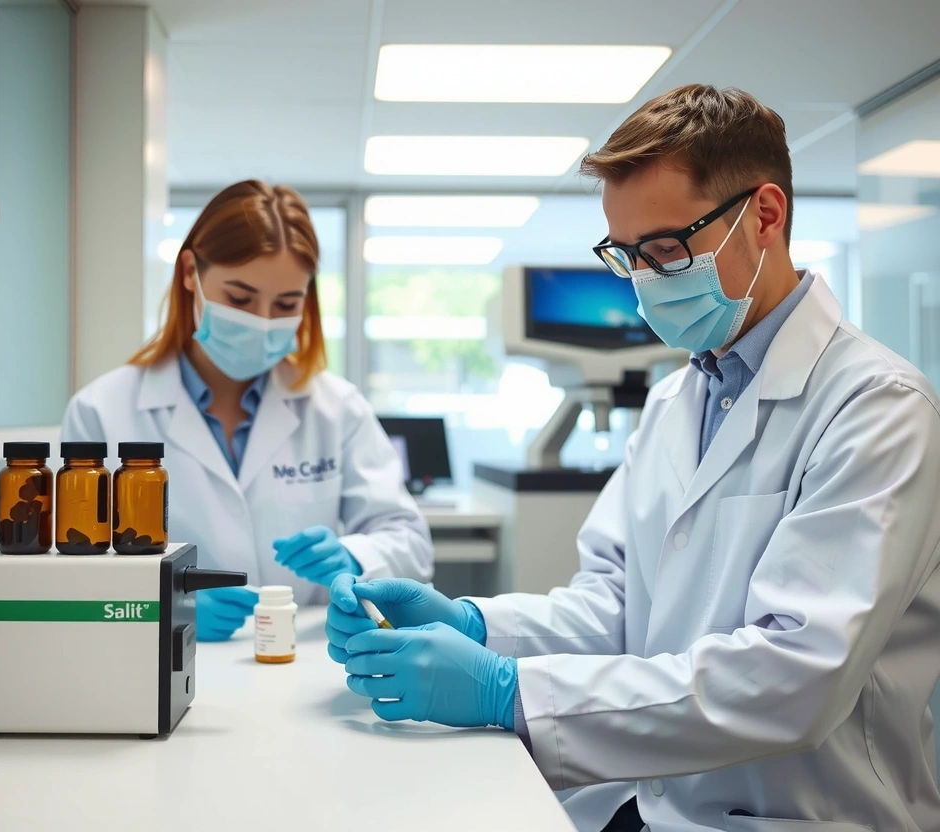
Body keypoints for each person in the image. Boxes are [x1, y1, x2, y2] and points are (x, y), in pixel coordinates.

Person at [324, 86, 940, 832]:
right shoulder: (676, 401)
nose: (644, 281)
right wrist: (474, 623)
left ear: (765, 215)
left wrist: (507, 691)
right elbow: (618, 606)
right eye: (627, 255)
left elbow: (795, 677)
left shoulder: (877, 407)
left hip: (807, 815)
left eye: (666, 249)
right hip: (656, 800)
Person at [63, 180, 432, 641]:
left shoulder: (337, 408)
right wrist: (165, 604)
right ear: (190, 273)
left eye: (286, 304)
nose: (262, 322)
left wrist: (354, 556)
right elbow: (70, 572)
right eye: (240, 299)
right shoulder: (100, 411)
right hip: (157, 660)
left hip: (307, 659)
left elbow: (409, 541)